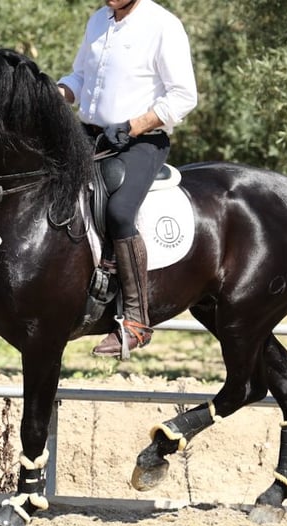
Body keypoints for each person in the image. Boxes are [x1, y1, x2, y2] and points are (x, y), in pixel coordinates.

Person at [58, 0, 197, 358]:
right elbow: (80, 77)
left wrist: (134, 126)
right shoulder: (97, 21)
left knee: (120, 211)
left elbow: (183, 96)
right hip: (91, 136)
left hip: (141, 141)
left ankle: (135, 320)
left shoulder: (163, 25)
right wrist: (55, 93)